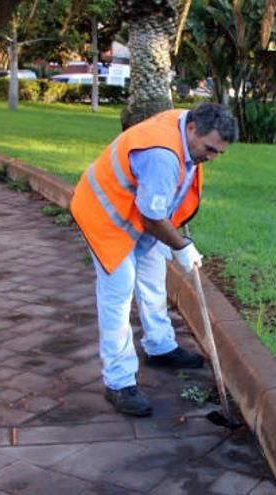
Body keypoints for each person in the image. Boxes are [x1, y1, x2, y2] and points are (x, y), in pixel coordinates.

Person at [70, 103, 238, 416]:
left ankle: (160, 347)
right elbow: (151, 217)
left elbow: (157, 207)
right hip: (106, 217)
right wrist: (182, 246)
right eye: (209, 149)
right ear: (192, 129)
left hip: (138, 212)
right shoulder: (162, 155)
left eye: (219, 153)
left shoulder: (187, 121)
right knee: (118, 296)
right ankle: (118, 382)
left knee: (152, 278)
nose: (212, 158)